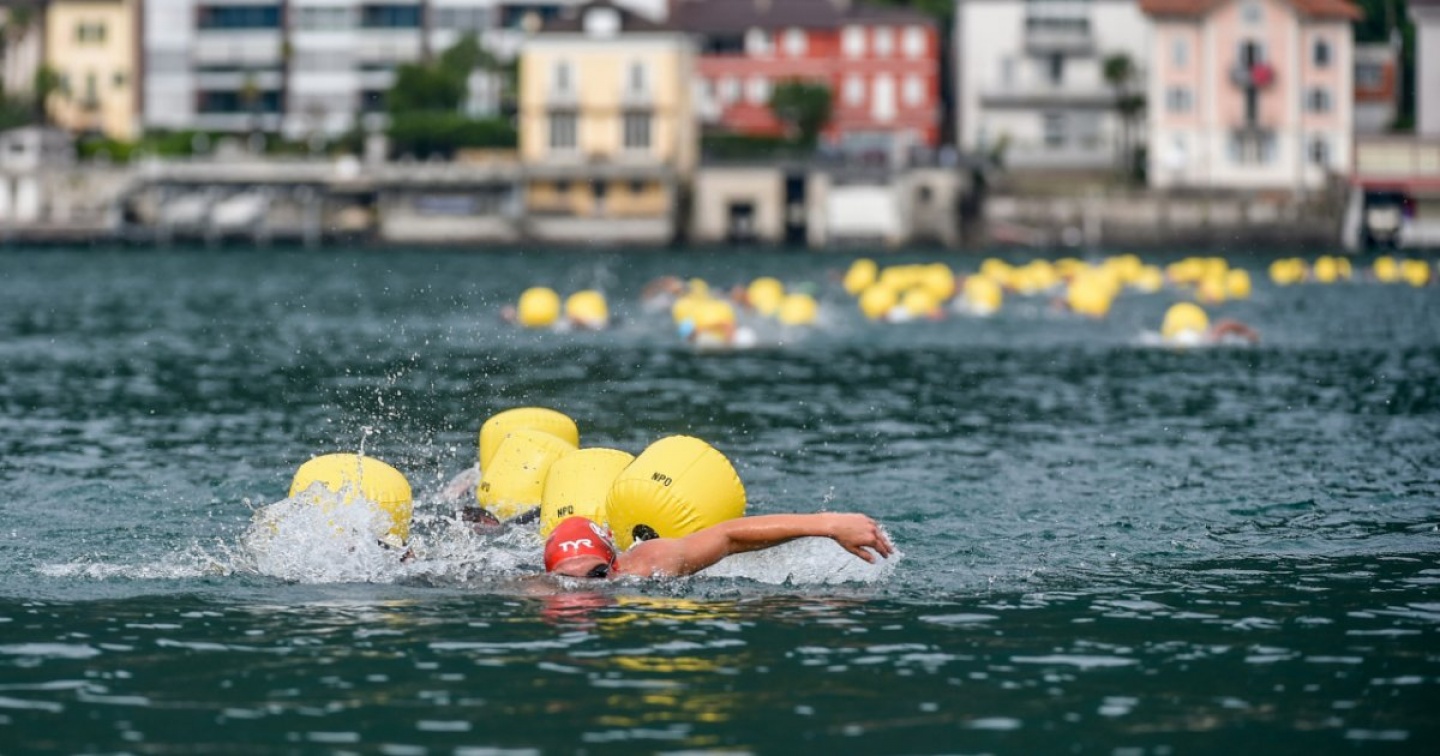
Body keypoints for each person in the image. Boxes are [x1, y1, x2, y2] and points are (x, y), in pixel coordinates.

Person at [543, 513, 894, 579]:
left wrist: (829, 525)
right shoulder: (534, 589)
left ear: (615, 564)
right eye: (566, 578)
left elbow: (728, 535)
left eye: (596, 574)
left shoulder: (648, 563)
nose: (580, 590)